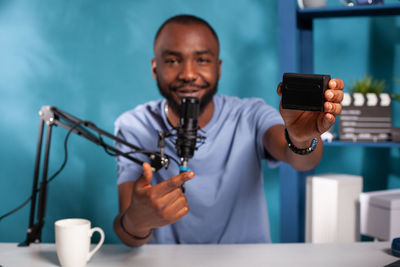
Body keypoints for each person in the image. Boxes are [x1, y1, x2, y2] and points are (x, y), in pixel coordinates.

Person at [113, 14, 344, 247]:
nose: (189, 74)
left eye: (202, 60)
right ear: (155, 69)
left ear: (218, 68)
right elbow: (128, 232)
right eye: (173, 61)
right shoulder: (134, 126)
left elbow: (302, 161)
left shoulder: (250, 114)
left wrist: (301, 138)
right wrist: (137, 221)